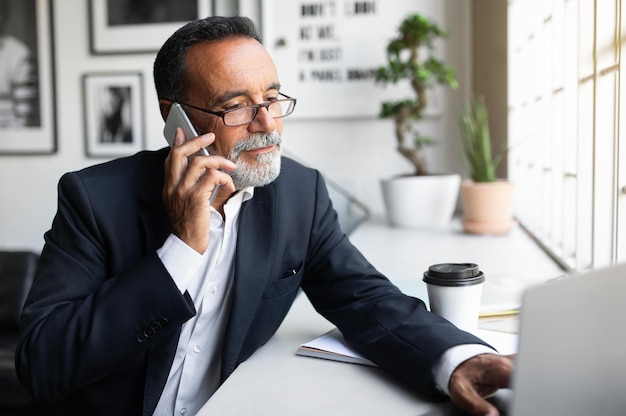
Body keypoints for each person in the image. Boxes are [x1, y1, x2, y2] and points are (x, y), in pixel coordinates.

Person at [16, 16, 513, 416]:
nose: (267, 124)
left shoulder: (299, 193)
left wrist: (459, 360)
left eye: (272, 99)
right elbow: (41, 364)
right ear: (175, 119)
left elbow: (366, 298)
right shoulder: (95, 198)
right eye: (236, 106)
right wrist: (181, 251)